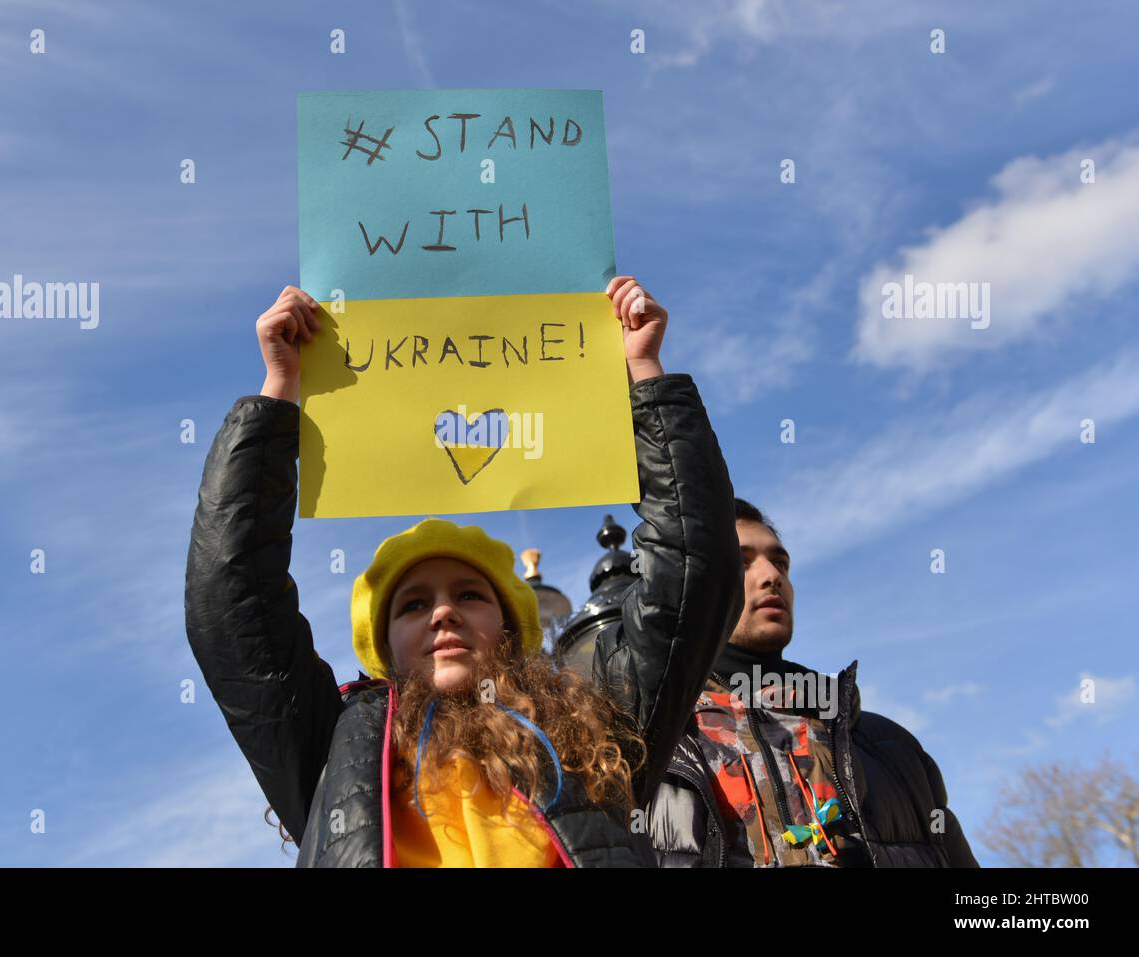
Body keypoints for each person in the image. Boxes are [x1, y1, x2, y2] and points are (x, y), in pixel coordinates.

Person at [184, 276, 742, 867]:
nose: (443, 611)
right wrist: (279, 393)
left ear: (508, 628)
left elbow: (692, 574)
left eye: (470, 594)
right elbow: (232, 602)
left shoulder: (595, 731)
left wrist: (645, 373)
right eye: (413, 604)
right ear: (383, 645)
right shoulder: (332, 747)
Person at [648, 498, 979, 867]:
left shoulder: (892, 748)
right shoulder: (654, 749)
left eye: (780, 563)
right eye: (742, 562)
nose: (771, 576)